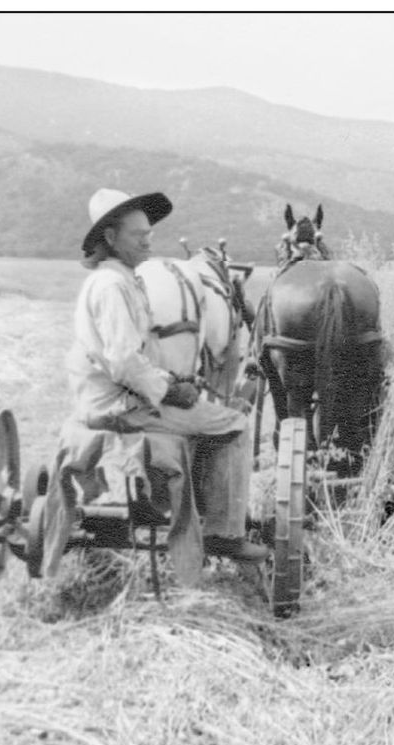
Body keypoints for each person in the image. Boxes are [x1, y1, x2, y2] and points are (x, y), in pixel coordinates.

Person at [65, 187, 267, 566]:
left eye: (149, 235)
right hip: (123, 406)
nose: (148, 243)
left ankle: (181, 498)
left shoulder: (121, 279)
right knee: (236, 424)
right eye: (139, 236)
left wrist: (173, 380)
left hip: (108, 397)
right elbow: (124, 361)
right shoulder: (113, 286)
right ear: (110, 238)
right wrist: (171, 391)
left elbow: (138, 356)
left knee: (206, 414)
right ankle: (224, 533)